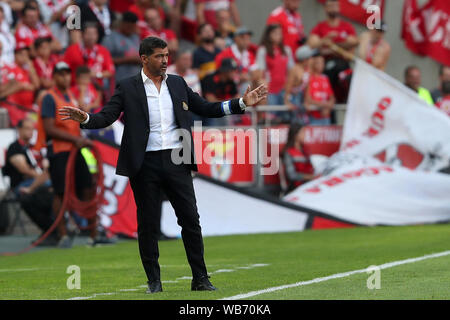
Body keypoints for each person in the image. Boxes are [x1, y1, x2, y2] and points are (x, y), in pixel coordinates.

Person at [59, 37, 267, 293]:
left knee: (190, 219)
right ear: (144, 58)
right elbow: (107, 116)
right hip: (144, 162)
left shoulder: (178, 83)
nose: (165, 60)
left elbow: (205, 107)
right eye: (159, 56)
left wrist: (242, 103)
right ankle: (154, 282)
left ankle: (200, 278)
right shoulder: (127, 86)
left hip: (177, 158)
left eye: (167, 55)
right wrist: (87, 118)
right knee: (147, 224)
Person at [36, 61, 99, 248]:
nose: (64, 77)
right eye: (60, 74)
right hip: (59, 150)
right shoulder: (49, 97)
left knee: (88, 188)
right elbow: (49, 128)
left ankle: (94, 235)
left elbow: (79, 122)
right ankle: (62, 235)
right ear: (54, 77)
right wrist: (76, 140)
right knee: (61, 192)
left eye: (67, 73)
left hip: (75, 149)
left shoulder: (71, 96)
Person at [3, 118, 58, 245]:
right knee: (52, 189)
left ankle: (55, 229)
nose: (31, 132)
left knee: (57, 189)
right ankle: (52, 228)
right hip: (22, 185)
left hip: (40, 182)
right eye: (27, 128)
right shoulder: (14, 148)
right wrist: (43, 177)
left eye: (32, 129)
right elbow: (24, 169)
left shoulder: (35, 148)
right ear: (19, 130)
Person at [308, 0, 358, 103]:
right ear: (325, 8)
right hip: (326, 67)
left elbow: (354, 41)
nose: (333, 8)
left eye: (335, 5)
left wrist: (333, 46)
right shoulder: (320, 27)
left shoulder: (346, 27)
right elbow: (312, 44)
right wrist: (324, 40)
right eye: (330, 6)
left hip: (343, 66)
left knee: (350, 78)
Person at [63, 22, 115, 90]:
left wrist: (96, 74)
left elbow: (110, 72)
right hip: (75, 89)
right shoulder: (72, 50)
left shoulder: (103, 51)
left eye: (94, 34)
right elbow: (64, 70)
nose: (91, 37)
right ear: (82, 35)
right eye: (88, 34)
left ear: (97, 35)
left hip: (96, 91)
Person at [256, 24, 294, 107]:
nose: (278, 36)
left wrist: (288, 91)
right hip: (270, 90)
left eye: (280, 33)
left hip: (283, 89)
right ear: (268, 35)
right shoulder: (263, 50)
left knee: (285, 117)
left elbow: (291, 72)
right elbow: (261, 73)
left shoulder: (287, 50)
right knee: (272, 116)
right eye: (275, 33)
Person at [215, 26, 258, 94]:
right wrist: (238, 77)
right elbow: (219, 74)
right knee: (246, 86)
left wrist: (248, 77)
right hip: (228, 87)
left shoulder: (249, 54)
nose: (246, 41)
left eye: (248, 38)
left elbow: (256, 73)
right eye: (243, 38)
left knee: (261, 83)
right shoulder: (225, 54)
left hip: (245, 84)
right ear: (235, 38)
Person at [101, 11, 141, 83]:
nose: (131, 29)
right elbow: (103, 60)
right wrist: (126, 60)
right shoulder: (110, 38)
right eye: (129, 26)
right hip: (118, 81)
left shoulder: (136, 37)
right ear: (122, 24)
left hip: (136, 80)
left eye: (133, 27)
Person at [284, 45, 319, 125]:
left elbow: (307, 88)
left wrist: (306, 101)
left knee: (303, 123)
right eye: (311, 58)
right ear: (305, 60)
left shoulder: (307, 71)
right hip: (293, 98)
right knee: (295, 123)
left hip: (300, 99)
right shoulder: (295, 69)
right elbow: (288, 86)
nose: (312, 60)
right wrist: (287, 102)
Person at [281, 123, 315, 193]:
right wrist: (310, 177)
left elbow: (311, 168)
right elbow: (291, 175)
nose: (305, 135)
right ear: (295, 135)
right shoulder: (288, 152)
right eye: (302, 132)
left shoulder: (305, 150)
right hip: (297, 188)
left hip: (309, 184)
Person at [304, 54, 335, 126]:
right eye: (318, 62)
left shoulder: (325, 78)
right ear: (313, 64)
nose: (321, 65)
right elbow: (308, 99)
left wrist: (328, 107)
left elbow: (332, 97)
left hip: (326, 117)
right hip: (313, 117)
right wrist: (325, 105)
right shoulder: (309, 78)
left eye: (323, 62)